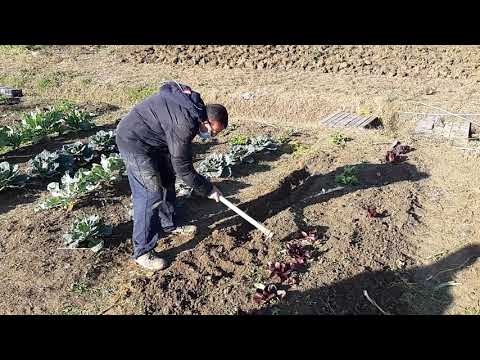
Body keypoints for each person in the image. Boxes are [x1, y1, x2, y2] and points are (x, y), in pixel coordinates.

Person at [115, 81, 228, 271]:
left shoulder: (193, 111)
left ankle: (170, 224)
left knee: (168, 178)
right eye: (214, 131)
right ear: (206, 122)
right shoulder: (184, 124)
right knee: (150, 194)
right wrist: (208, 189)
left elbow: (179, 160)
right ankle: (142, 251)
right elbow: (184, 168)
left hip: (157, 141)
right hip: (134, 141)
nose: (213, 136)